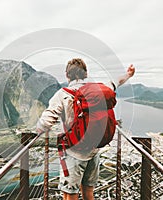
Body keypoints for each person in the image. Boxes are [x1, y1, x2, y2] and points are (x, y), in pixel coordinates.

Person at [36, 58, 135, 200]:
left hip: (74, 152)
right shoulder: (98, 91)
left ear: (67, 75)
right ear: (86, 74)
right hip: (95, 149)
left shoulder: (63, 94)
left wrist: (38, 129)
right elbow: (114, 83)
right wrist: (128, 74)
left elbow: (47, 120)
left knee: (70, 194)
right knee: (89, 192)